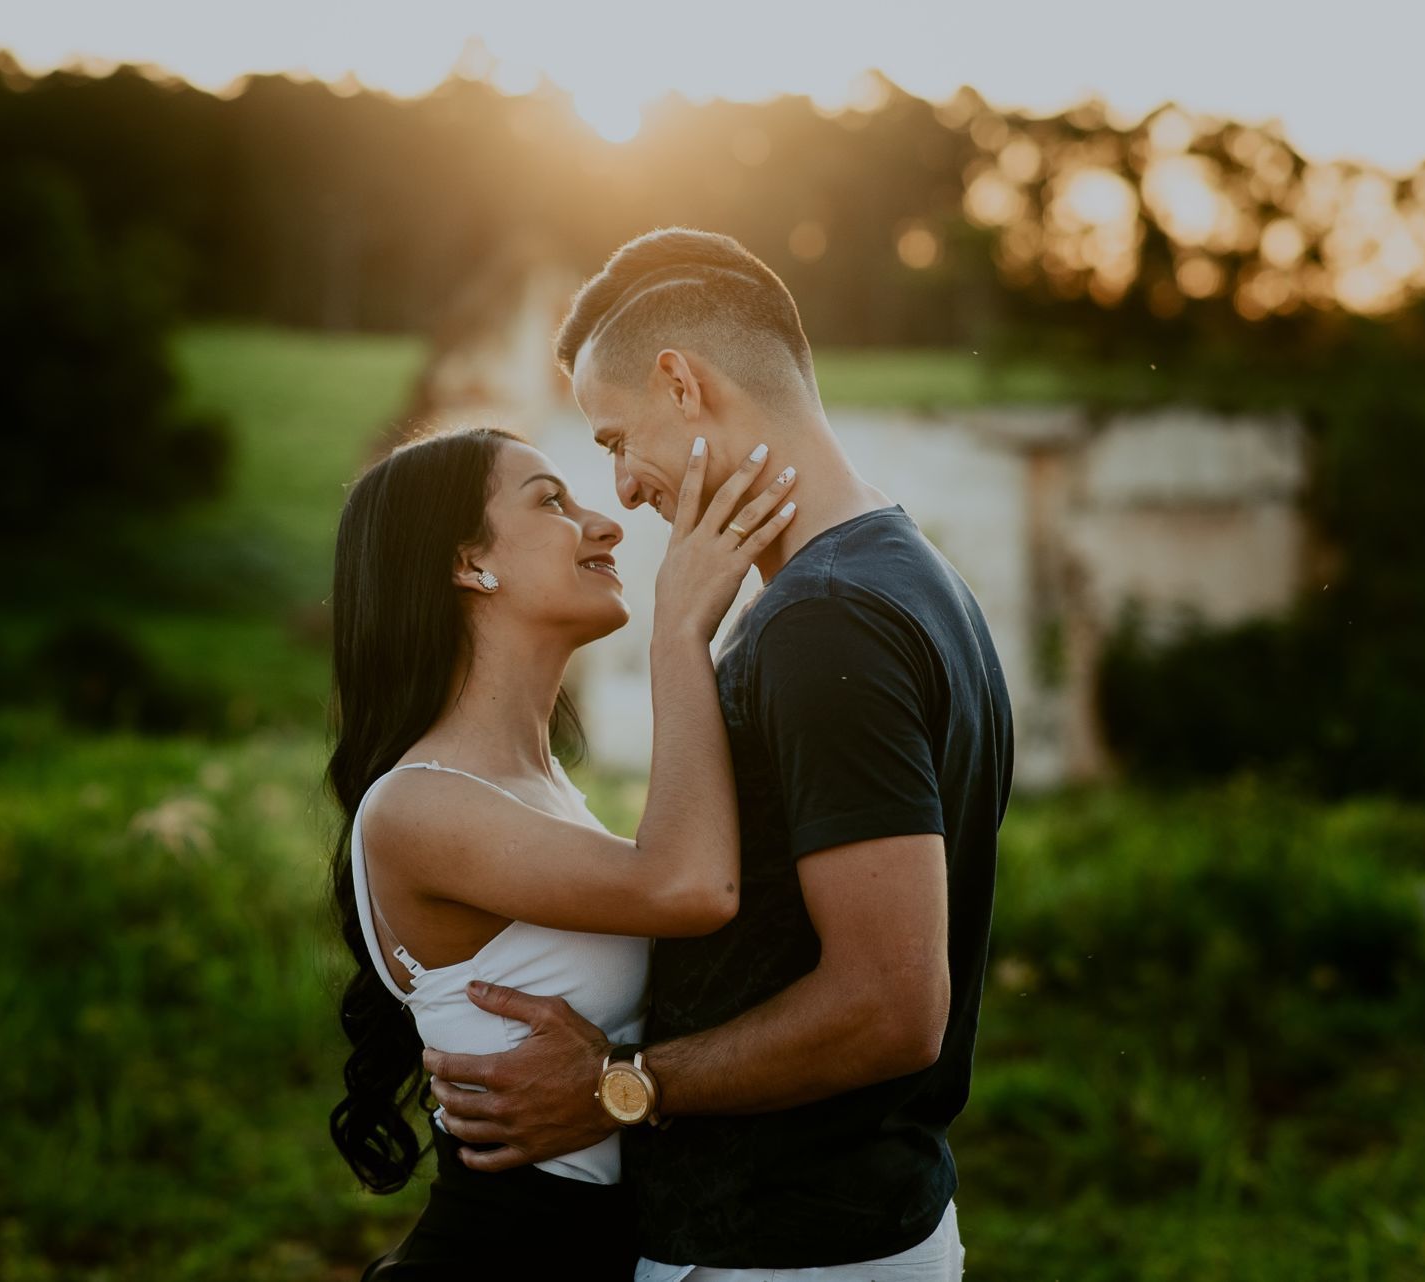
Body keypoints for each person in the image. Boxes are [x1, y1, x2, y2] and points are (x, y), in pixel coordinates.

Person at [420, 228, 1013, 1280]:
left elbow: (891, 1002)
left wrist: (619, 1081)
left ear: (681, 382)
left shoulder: (826, 618)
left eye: (613, 441)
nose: (625, 490)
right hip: (850, 1233)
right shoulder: (904, 573)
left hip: (785, 1252)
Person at [326, 422, 799, 1279]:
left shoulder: (542, 792)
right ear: (468, 564)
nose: (607, 523)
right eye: (552, 501)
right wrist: (677, 631)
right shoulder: (417, 804)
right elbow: (692, 886)